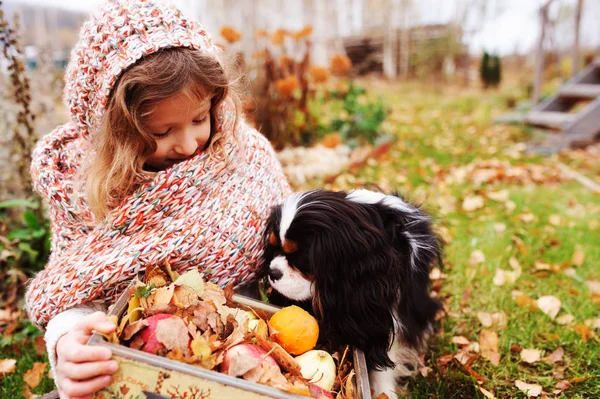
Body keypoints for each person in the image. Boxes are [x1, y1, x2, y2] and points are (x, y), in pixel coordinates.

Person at [24, 1, 291, 397]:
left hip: (259, 341)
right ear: (113, 134)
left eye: (200, 119)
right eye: (162, 132)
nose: (187, 144)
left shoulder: (242, 153)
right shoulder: (84, 187)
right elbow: (78, 289)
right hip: (150, 356)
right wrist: (69, 341)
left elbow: (291, 244)